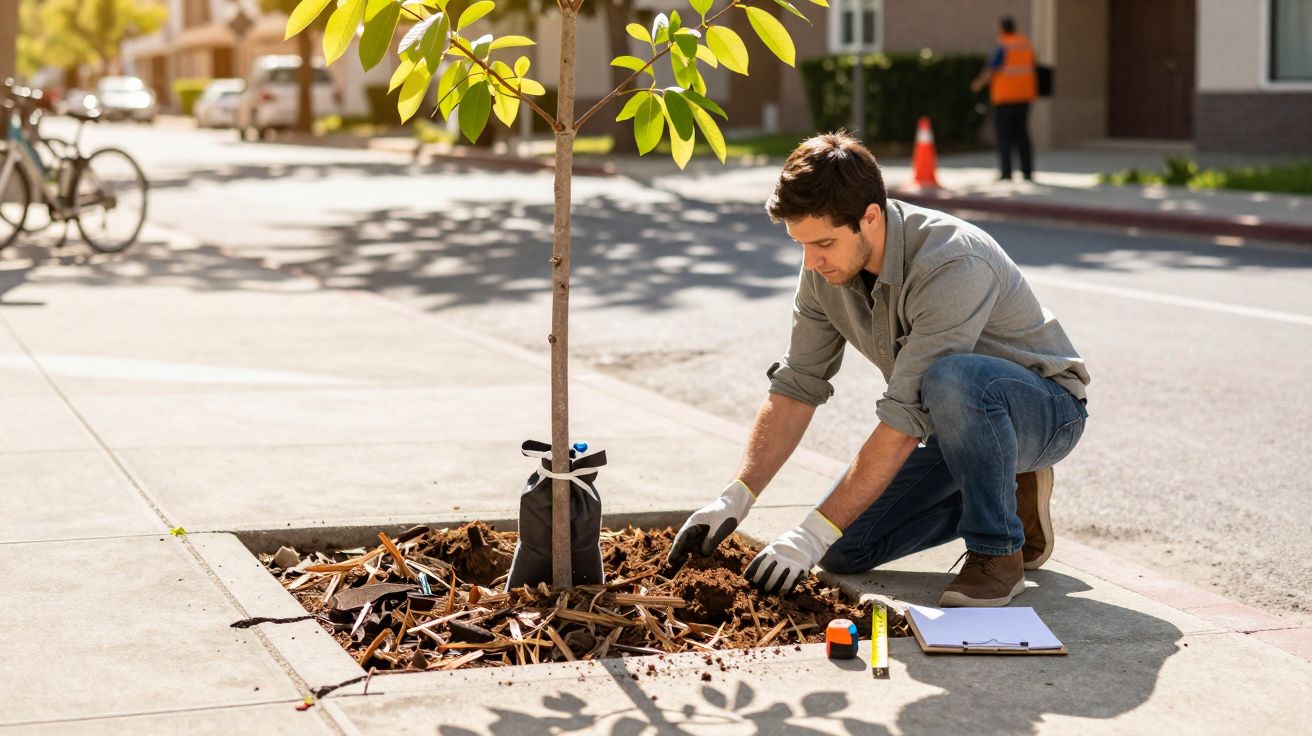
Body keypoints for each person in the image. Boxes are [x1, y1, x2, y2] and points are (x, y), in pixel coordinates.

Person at [667, 132, 1089, 607]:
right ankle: (1006, 490)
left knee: (951, 377)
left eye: (823, 243)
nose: (811, 261)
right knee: (844, 548)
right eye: (801, 244)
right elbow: (798, 385)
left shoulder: (952, 261)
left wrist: (807, 534)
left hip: (1044, 411)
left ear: (870, 217)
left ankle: (997, 553)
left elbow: (905, 416)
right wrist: (736, 497)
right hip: (951, 425)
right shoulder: (823, 270)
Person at [971, 16, 1038, 182]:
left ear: (1001, 29)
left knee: (1004, 136)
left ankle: (1006, 172)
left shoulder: (1003, 46)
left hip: (1005, 98)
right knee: (1022, 134)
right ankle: (1027, 171)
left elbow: (992, 69)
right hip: (1024, 96)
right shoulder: (1025, 45)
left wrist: (978, 84)